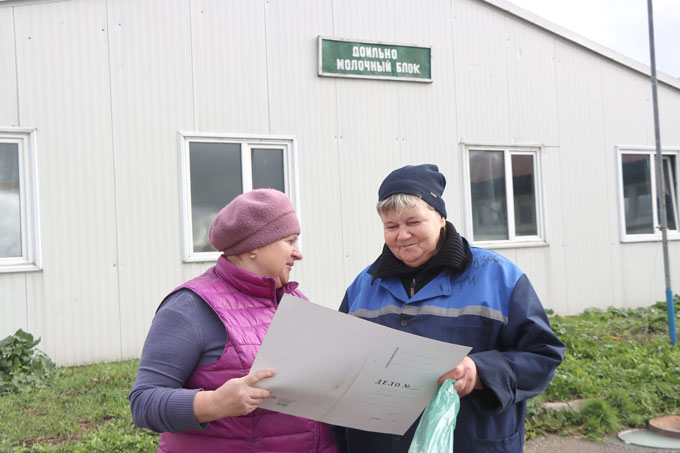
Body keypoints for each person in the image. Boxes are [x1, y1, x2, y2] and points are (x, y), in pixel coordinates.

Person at [335, 164, 565, 452]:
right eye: (391, 226)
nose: (402, 235)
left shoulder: (498, 276)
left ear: (441, 217)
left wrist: (479, 371)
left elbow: (542, 354)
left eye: (413, 222)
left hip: (470, 441)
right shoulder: (364, 286)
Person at [130, 188, 338, 453]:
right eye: (290, 241)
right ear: (255, 247)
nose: (298, 253)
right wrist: (215, 403)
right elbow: (143, 403)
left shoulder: (294, 299)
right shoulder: (190, 307)